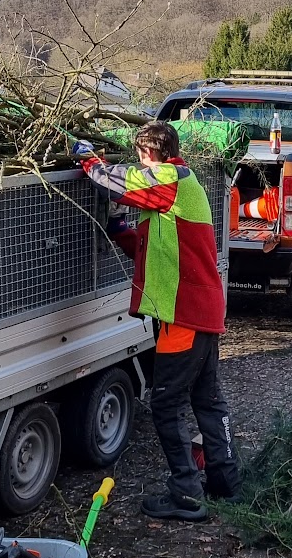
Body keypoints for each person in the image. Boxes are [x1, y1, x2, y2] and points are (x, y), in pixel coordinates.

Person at [72, 121, 240, 520]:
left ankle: (186, 495)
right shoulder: (175, 190)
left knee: (165, 404)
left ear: (149, 154)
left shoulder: (169, 178)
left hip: (184, 316)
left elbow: (119, 180)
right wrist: (120, 230)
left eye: (140, 157)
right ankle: (226, 482)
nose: (138, 164)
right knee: (207, 400)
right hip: (199, 311)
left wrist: (89, 161)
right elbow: (158, 252)